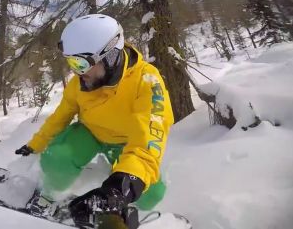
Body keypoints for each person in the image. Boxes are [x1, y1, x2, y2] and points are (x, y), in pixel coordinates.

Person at [15, 14, 174, 228]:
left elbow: (149, 138)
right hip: (91, 132)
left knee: (151, 193)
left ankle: (125, 208)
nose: (76, 72)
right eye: (71, 62)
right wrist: (35, 144)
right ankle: (49, 194)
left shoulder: (147, 81)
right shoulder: (80, 83)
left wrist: (121, 188)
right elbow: (60, 116)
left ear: (109, 57)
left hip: (127, 142)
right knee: (57, 159)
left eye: (80, 63)